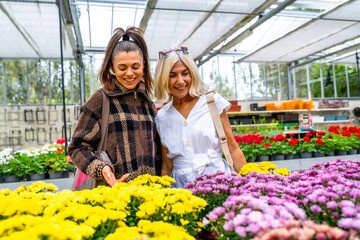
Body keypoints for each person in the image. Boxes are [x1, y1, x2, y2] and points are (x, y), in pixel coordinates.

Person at [68, 26, 161, 187]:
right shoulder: (101, 100)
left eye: (135, 66)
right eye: (122, 68)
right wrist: (102, 168)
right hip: (115, 196)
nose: (130, 73)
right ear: (112, 67)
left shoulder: (148, 103)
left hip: (149, 197)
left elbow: (157, 153)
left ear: (144, 65)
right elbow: (77, 147)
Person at [154, 46, 247, 188]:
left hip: (217, 185)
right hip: (180, 189)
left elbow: (233, 149)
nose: (180, 81)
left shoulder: (212, 103)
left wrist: (250, 186)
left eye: (185, 73)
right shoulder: (162, 116)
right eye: (172, 75)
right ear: (163, 79)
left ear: (192, 74)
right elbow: (167, 165)